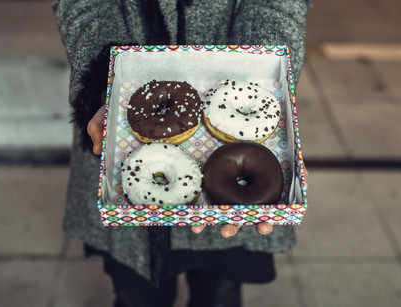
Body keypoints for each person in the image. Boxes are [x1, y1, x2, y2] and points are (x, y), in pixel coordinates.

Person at [52, 1, 312, 306]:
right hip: (126, 121)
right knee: (137, 294)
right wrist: (104, 81)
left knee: (220, 292)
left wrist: (252, 67)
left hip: (238, 166)